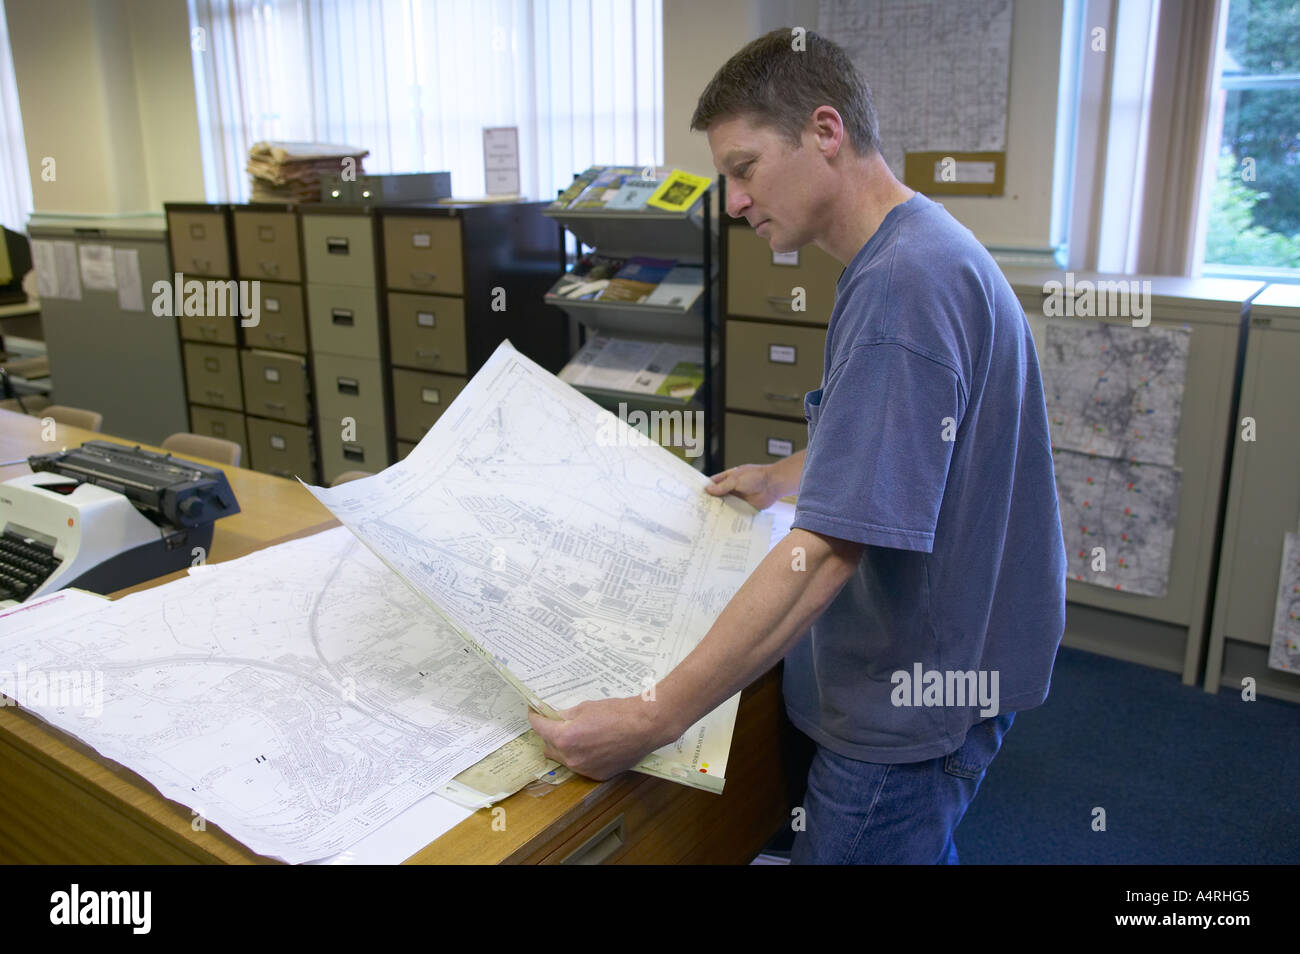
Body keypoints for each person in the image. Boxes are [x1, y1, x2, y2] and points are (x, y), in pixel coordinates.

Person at [529, 27, 1067, 864]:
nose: (734, 202)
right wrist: (784, 479)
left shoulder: (901, 288)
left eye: (744, 169)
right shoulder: (919, 248)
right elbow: (906, 436)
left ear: (825, 131)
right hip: (956, 665)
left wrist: (654, 714)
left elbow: (824, 555)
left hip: (908, 705)